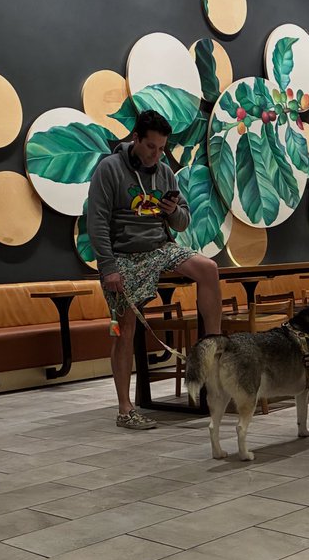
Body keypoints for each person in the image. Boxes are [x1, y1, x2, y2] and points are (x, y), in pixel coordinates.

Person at [87, 109, 223, 430]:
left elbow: (183, 222)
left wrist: (173, 210)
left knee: (209, 269)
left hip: (161, 248)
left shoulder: (164, 172)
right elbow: (97, 221)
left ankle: (213, 348)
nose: (156, 154)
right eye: (151, 147)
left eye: (162, 148)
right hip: (123, 255)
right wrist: (108, 268)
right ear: (136, 139)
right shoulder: (109, 169)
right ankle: (125, 409)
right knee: (126, 329)